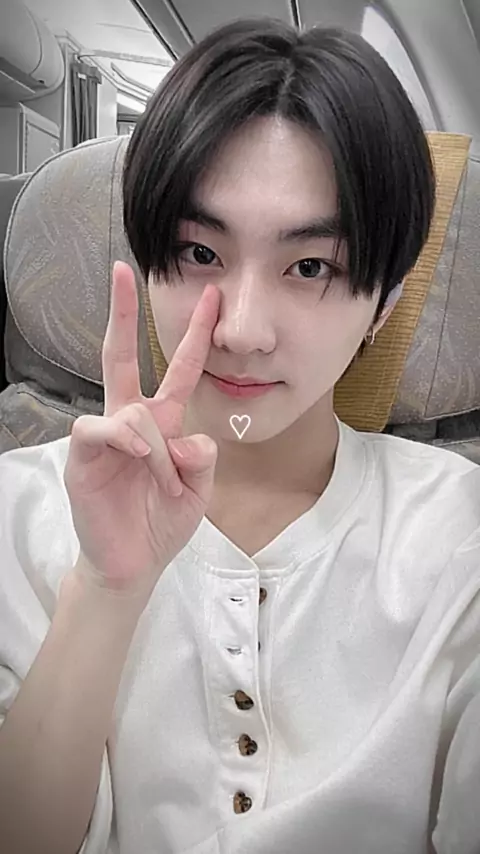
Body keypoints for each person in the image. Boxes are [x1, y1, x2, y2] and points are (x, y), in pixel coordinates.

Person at [0, 16, 479, 854]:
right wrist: (104, 591)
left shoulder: (461, 536)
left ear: (385, 305)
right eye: (198, 253)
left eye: (310, 266)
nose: (243, 331)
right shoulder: (17, 509)